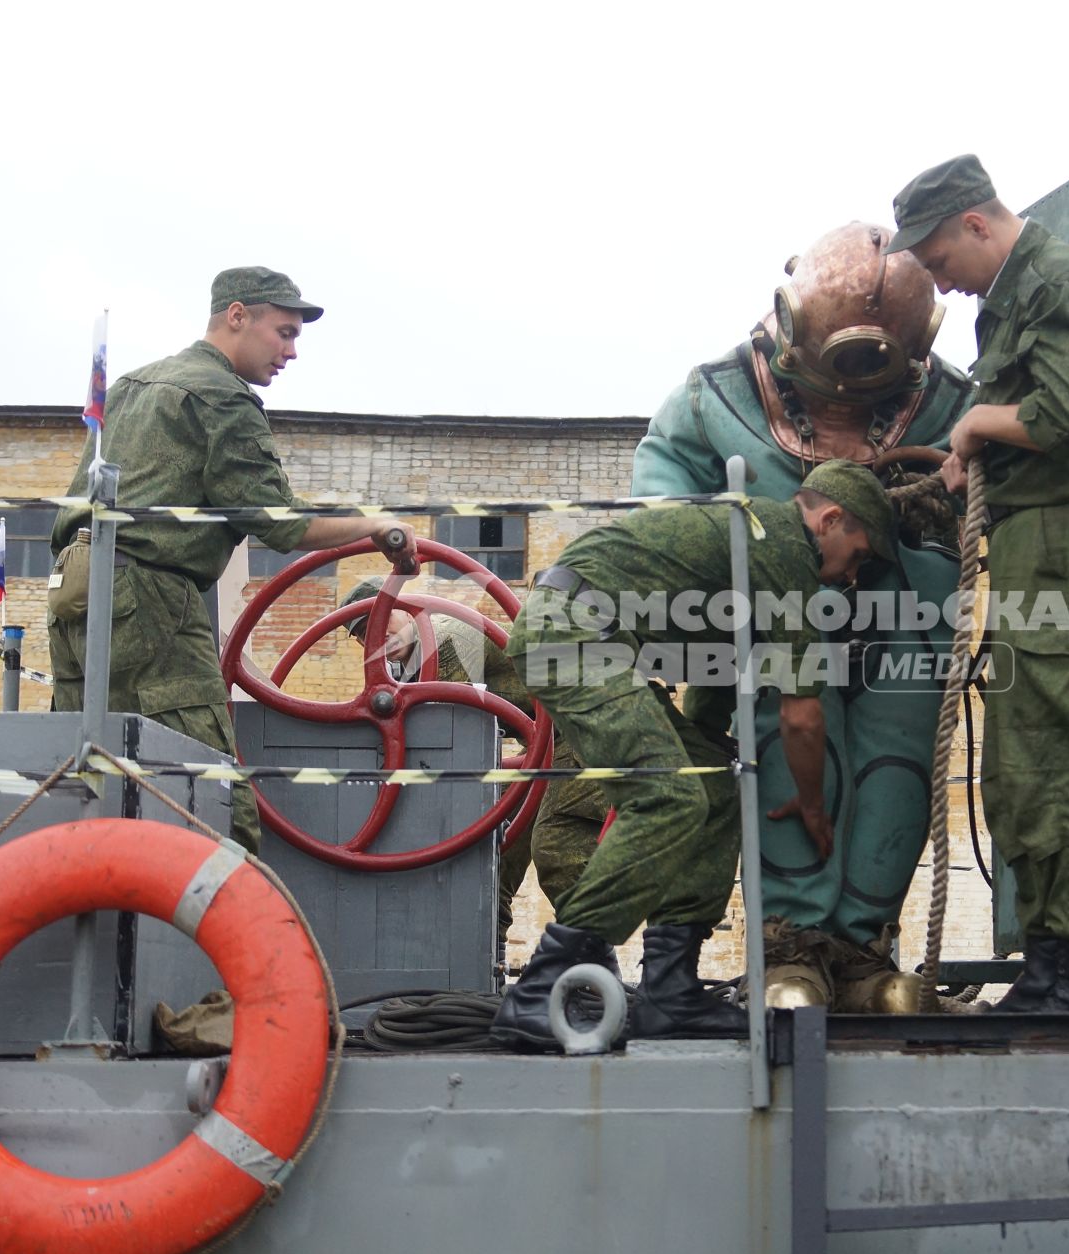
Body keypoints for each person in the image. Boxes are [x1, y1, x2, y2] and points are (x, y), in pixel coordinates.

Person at [631, 222, 973, 1014]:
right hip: (775, 614)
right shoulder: (716, 395)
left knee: (897, 766)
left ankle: (862, 950)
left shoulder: (952, 402)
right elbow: (661, 483)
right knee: (780, 759)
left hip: (906, 613)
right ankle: (792, 945)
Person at [490, 460, 897, 1051]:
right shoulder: (783, 547)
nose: (852, 575)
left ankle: (670, 990)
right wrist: (812, 806)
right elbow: (802, 715)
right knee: (667, 796)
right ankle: (538, 990)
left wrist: (712, 751)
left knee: (712, 785)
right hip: (574, 633)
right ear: (830, 519)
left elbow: (710, 690)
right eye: (856, 554)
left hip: (592, 638)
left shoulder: (745, 543)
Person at [885, 155, 1069, 1013]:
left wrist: (973, 426)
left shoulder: (1052, 281)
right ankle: (1047, 959)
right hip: (1036, 539)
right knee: (1014, 770)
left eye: (937, 263)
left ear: (974, 224)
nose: (941, 285)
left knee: (1053, 766)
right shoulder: (1016, 296)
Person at [48, 267, 418, 855]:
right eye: (285, 332)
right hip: (151, 601)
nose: (292, 352)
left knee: (90, 784)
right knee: (216, 801)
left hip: (75, 594)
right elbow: (277, 522)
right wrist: (377, 526)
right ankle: (232, 940)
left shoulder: (130, 387)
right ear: (237, 316)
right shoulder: (222, 396)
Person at [337, 578, 606, 934]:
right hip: (547, 744)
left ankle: (594, 963)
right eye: (362, 633)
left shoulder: (447, 638)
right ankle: (482, 963)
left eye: (379, 621)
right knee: (495, 858)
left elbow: (440, 737)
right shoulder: (407, 665)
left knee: (558, 847)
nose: (375, 637)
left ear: (404, 607)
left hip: (586, 725)